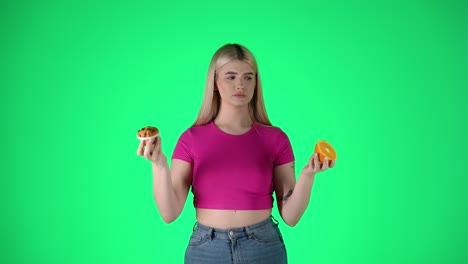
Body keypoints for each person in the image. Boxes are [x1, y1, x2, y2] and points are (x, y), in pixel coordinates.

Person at [137, 43, 335, 264]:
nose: (240, 84)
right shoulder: (190, 139)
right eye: (231, 77)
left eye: (248, 77)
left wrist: (308, 176)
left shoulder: (276, 139)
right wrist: (159, 165)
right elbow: (169, 212)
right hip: (206, 250)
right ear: (215, 83)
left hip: (263, 248)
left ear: (256, 82)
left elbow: (291, 216)